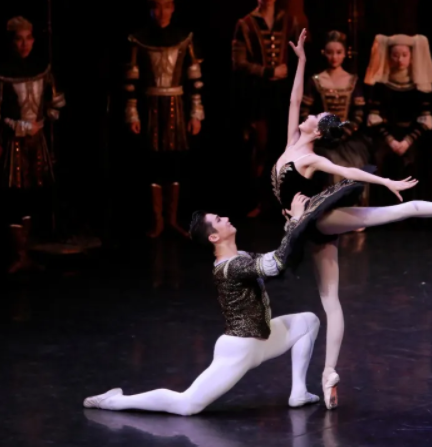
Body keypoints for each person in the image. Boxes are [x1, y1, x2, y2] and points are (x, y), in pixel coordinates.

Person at [271, 29, 432, 409]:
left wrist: (385, 181)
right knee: (330, 300)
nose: (307, 115)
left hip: (317, 220)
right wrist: (301, 60)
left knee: (397, 212)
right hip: (304, 227)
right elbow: (295, 98)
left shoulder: (310, 157)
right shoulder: (291, 143)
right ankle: (328, 375)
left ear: (316, 131)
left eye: (313, 117)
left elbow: (349, 171)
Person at [83, 193, 320, 416]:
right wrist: (296, 221)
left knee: (308, 322)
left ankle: (299, 392)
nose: (225, 218)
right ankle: (113, 401)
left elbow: (279, 260)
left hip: (263, 339)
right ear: (214, 237)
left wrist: (296, 224)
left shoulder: (241, 257)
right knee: (187, 405)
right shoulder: (231, 267)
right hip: (241, 348)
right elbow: (276, 263)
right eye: (218, 220)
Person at [0, 16, 66, 274]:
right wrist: (18, 126)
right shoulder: (0, 73)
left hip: (37, 142)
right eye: (19, 39)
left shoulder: (42, 68)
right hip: (13, 144)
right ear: (12, 42)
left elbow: (56, 103)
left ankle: (26, 253)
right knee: (14, 198)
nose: (24, 44)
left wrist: (45, 120)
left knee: (33, 195)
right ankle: (18, 254)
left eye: (28, 38)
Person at [125, 0, 204, 238]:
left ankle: (172, 219)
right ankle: (157, 221)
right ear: (151, 9)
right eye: (157, 7)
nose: (162, 12)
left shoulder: (184, 38)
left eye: (166, 6)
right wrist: (132, 113)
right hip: (150, 107)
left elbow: (195, 79)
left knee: (175, 162)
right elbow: (131, 80)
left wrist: (196, 113)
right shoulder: (138, 39)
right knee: (153, 163)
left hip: (176, 106)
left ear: (173, 8)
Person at [232, 0, 302, 217]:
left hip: (283, 94)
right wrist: (267, 71)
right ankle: (260, 201)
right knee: (260, 147)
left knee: (285, 147)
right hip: (258, 94)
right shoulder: (245, 24)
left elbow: (300, 55)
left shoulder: (289, 21)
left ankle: (285, 202)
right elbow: (238, 62)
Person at [300, 30, 371, 213]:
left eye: (338, 52)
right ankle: (330, 212)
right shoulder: (315, 80)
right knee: (328, 164)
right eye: (330, 52)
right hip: (323, 137)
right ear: (324, 53)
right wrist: (320, 132)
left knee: (355, 162)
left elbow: (358, 115)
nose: (334, 57)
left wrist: (343, 133)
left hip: (348, 138)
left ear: (345, 53)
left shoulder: (352, 80)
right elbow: (305, 113)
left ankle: (355, 213)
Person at [365, 34, 432, 202]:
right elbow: (374, 117)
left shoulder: (420, 85)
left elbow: (425, 119)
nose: (400, 60)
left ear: (411, 57)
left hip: (413, 137)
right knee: (382, 160)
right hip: (387, 136)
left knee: (417, 160)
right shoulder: (381, 86)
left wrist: (407, 141)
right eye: (395, 55)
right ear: (389, 57)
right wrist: (391, 141)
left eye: (404, 55)